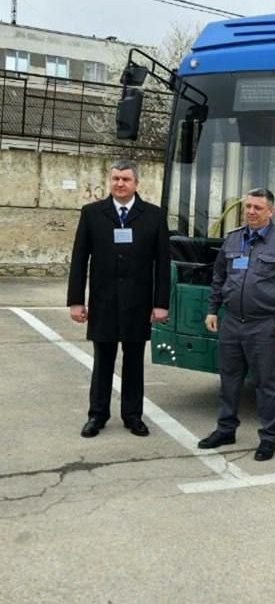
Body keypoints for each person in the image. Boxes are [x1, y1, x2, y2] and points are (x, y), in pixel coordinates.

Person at [198, 188, 275, 461]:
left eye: (258, 208)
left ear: (271, 211)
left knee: (266, 384)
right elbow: (219, 276)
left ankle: (268, 438)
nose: (252, 212)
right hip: (232, 321)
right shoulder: (233, 240)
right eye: (248, 207)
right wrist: (213, 310)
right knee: (229, 380)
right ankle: (225, 429)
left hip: (263, 325)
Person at [67, 160, 170, 437]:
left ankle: (132, 415)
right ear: (109, 181)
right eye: (115, 179)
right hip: (104, 302)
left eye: (125, 179)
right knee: (103, 361)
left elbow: (162, 263)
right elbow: (79, 259)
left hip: (139, 303)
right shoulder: (92, 213)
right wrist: (76, 300)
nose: (120, 184)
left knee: (134, 361)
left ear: (136, 183)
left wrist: (161, 303)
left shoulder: (154, 215)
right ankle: (97, 415)